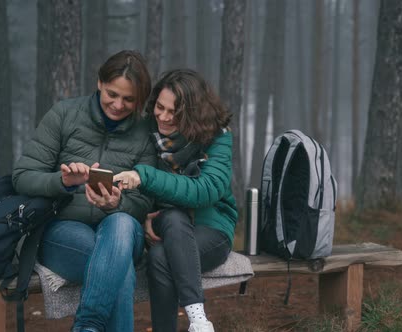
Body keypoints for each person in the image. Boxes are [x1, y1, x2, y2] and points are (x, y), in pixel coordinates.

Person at [12, 50, 155, 332]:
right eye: (112, 93)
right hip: (63, 228)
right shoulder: (64, 115)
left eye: (129, 99)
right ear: (99, 82)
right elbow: (22, 177)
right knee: (118, 269)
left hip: (122, 230)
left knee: (122, 224)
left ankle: (87, 325)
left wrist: (116, 204)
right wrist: (63, 182)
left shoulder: (144, 132)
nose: (118, 104)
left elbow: (145, 199)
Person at [113, 69, 238, 332]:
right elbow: (129, 185)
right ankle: (200, 322)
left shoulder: (218, 136)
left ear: (193, 114)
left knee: (160, 257)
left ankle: (196, 318)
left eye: (175, 113)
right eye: (160, 107)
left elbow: (206, 189)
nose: (164, 117)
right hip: (163, 225)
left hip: (211, 229)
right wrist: (144, 215)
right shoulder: (146, 130)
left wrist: (144, 176)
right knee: (171, 217)